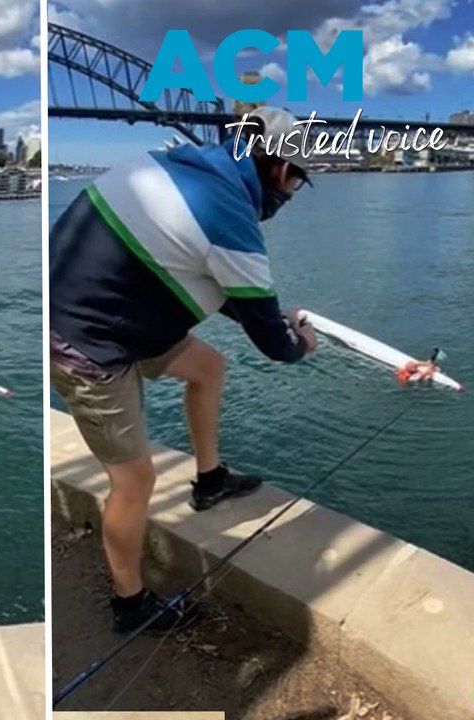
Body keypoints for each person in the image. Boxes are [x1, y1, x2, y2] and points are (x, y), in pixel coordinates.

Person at [49, 106, 318, 635]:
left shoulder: (167, 163)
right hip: (88, 345)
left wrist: (263, 310)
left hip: (111, 309)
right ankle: (130, 603)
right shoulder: (231, 221)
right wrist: (300, 339)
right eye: (299, 179)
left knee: (208, 367)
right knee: (134, 481)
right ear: (283, 171)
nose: (290, 194)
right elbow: (276, 346)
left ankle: (209, 479)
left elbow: (191, 269)